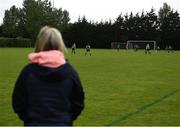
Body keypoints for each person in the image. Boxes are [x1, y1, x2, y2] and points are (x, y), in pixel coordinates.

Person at [12, 26, 85, 126]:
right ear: (60, 44)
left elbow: (18, 103)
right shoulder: (70, 72)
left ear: (39, 43)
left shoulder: (28, 72)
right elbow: (78, 103)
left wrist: (30, 120)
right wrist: (65, 120)